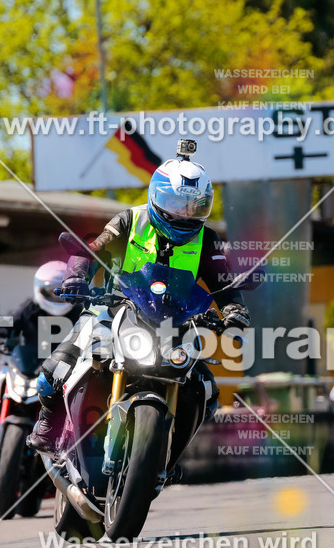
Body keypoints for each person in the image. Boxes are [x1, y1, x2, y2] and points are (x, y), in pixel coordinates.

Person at [26, 141, 251, 454]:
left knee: (206, 390)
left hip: (176, 323)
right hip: (114, 308)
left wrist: (235, 311)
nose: (185, 213)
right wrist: (77, 276)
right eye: (176, 202)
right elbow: (95, 250)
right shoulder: (129, 221)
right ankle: (49, 423)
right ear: (157, 195)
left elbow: (224, 281)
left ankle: (168, 453)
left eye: (195, 204)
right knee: (55, 369)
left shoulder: (208, 239)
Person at [0, 261, 82, 472]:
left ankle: (76, 455)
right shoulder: (29, 309)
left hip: (62, 376)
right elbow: (10, 326)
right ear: (39, 290)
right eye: (50, 291)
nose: (57, 296)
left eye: (62, 291)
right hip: (28, 370)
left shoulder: (79, 314)